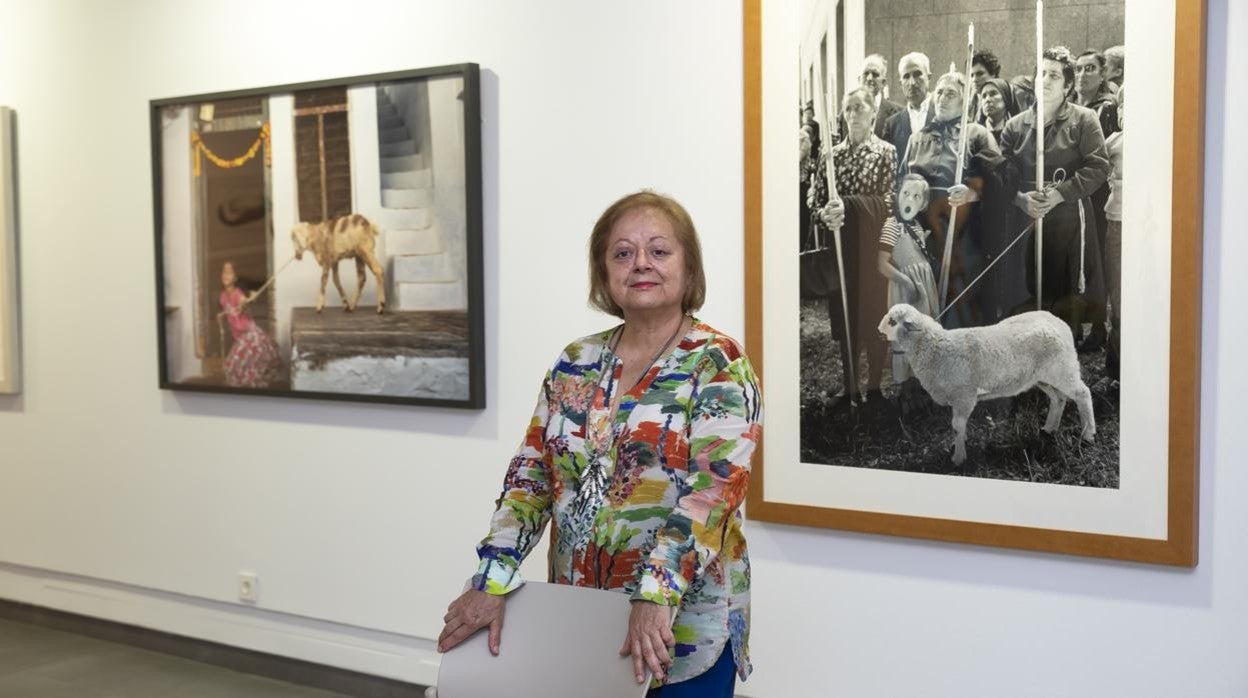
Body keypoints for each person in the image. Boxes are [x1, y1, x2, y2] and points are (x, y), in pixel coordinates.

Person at [437, 192, 761, 697]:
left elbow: (713, 496)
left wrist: (656, 595)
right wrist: (492, 576)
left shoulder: (719, 363)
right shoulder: (575, 361)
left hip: (681, 633)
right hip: (580, 621)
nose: (641, 265)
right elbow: (530, 479)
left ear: (689, 267)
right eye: (622, 253)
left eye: (659, 250)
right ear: (604, 271)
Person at [998, 48, 1111, 341]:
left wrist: (1061, 194)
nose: (1045, 81)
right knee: (1025, 290)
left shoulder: (1084, 120)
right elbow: (1001, 175)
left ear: (1068, 85)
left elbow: (1098, 167)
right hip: (1024, 220)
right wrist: (1020, 199)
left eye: (1054, 75)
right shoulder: (1015, 125)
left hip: (1067, 218)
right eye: (1042, 73)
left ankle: (1060, 359)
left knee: (1063, 294)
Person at [899, 70, 1006, 327]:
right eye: (939, 92)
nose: (943, 98)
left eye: (951, 93)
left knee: (962, 308)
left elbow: (1001, 181)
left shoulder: (977, 134)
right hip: (924, 233)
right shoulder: (917, 138)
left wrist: (971, 193)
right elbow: (901, 182)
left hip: (965, 234)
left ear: (965, 100)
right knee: (926, 301)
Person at [811, 88, 897, 402]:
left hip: (872, 248)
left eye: (859, 107)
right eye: (848, 108)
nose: (853, 114)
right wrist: (825, 215)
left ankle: (873, 387)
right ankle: (850, 385)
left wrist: (848, 205)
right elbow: (817, 203)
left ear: (873, 112)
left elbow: (890, 200)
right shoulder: (829, 155)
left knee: (874, 313)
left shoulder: (886, 151)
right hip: (841, 247)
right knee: (846, 315)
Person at [878, 174, 939, 382]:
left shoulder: (918, 227)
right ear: (898, 196)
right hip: (904, 291)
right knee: (904, 335)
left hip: (923, 289)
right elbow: (882, 263)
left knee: (922, 333)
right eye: (905, 193)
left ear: (923, 204)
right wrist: (906, 281)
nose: (909, 200)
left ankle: (920, 382)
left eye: (916, 196)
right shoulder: (891, 225)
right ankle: (904, 387)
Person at [217, 261, 281, 388]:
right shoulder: (222, 297)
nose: (226, 275)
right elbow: (229, 311)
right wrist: (222, 315)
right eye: (224, 272)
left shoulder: (238, 293)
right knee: (235, 371)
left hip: (251, 337)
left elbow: (243, 303)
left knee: (234, 369)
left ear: (235, 277)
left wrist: (247, 301)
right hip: (239, 338)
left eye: (229, 272)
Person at [1103, 84, 1125, 381]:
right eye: (1123, 104)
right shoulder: (1114, 141)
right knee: (1118, 295)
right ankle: (1116, 367)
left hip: (1149, 226)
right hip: (1118, 222)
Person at [882, 52, 934, 166]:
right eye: (906, 76)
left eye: (917, 74)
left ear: (929, 77)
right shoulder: (892, 125)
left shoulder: (943, 115)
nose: (912, 82)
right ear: (901, 83)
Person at [838, 54, 903, 141]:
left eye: (875, 74)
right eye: (865, 73)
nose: (869, 78)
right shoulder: (845, 113)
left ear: (883, 82)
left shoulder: (898, 114)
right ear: (859, 79)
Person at [977, 77, 1017, 143]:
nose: (987, 100)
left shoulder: (1016, 132)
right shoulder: (976, 134)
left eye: (993, 94)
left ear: (1006, 98)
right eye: (984, 96)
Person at [967, 49, 1001, 121]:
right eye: (971, 75)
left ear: (993, 74)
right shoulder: (968, 103)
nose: (974, 80)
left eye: (980, 74)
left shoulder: (1001, 101)